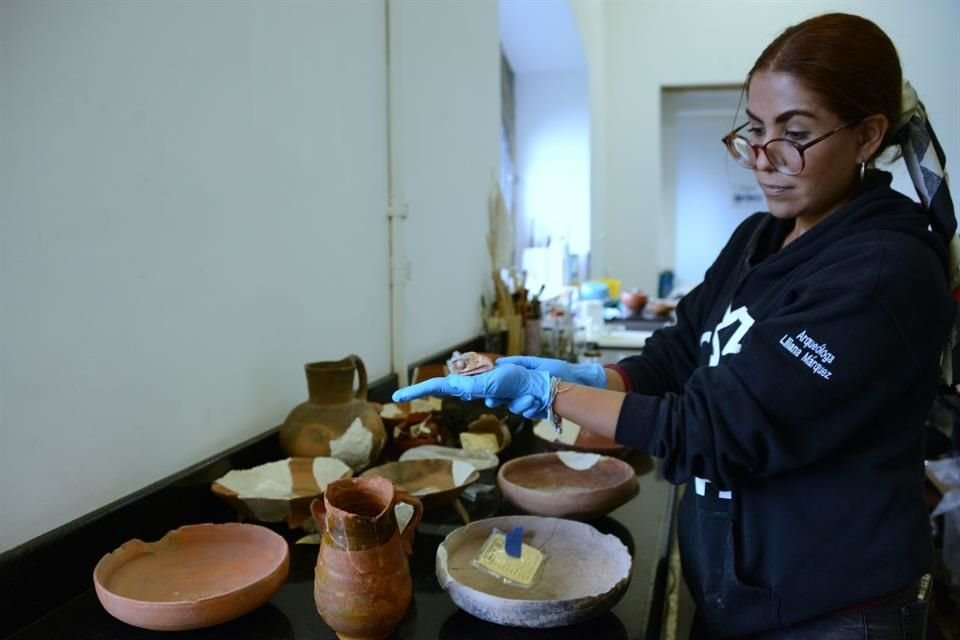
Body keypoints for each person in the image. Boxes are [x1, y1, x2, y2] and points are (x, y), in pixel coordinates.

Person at [394, 12, 957, 640]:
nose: (763, 159)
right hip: (742, 592)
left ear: (867, 135)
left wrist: (551, 395)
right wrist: (590, 375)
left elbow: (718, 430)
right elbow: (676, 355)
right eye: (755, 130)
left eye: (794, 134)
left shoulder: (883, 270)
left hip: (835, 611)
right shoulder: (762, 234)